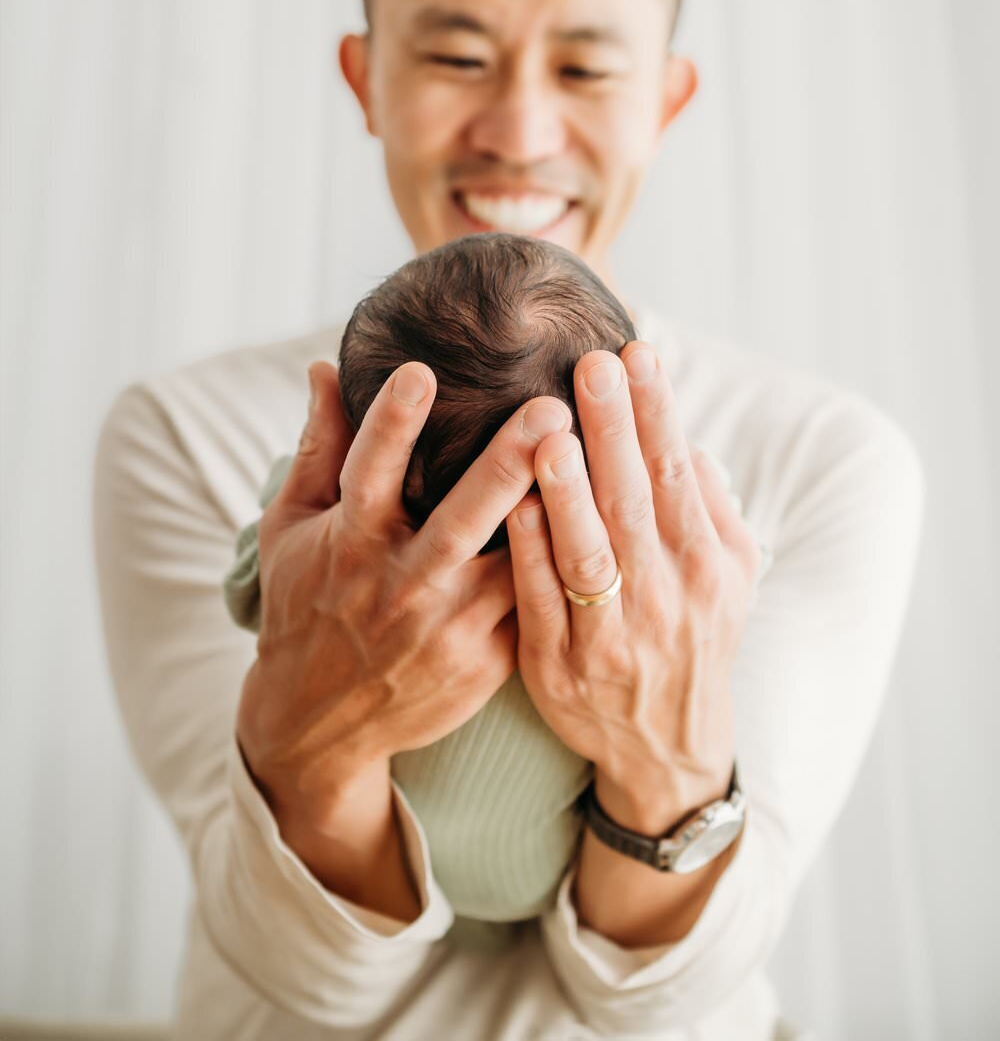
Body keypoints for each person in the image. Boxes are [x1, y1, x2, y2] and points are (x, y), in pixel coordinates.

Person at [93, 0, 923, 1040]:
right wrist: (315, 737)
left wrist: (665, 745)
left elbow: (667, 995)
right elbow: (298, 969)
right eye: (456, 55)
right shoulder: (188, 432)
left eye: (587, 67)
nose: (523, 132)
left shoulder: (819, 456)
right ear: (366, 76)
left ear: (666, 97)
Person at [222, 230, 774, 939]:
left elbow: (247, 594)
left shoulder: (327, 531)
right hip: (585, 874)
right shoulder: (674, 521)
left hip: (387, 875)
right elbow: (734, 580)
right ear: (623, 428)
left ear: (370, 445)